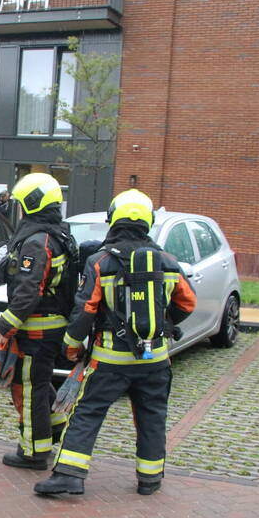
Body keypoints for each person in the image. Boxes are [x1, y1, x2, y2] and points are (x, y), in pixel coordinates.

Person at [34, 189, 197, 497]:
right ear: (147, 222)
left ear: (113, 220)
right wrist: (163, 323)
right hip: (155, 360)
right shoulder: (168, 262)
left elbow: (84, 312)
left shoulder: (100, 262)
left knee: (88, 412)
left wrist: (71, 348)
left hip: (110, 361)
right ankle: (150, 479)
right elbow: (188, 303)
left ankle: (69, 474)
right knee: (152, 415)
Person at [0, 173, 78, 470]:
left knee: (29, 388)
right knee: (40, 384)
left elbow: (28, 293)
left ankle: (33, 452)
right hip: (51, 326)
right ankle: (53, 428)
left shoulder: (36, 242)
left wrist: (4, 328)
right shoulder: (58, 234)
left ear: (31, 204)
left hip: (38, 329)